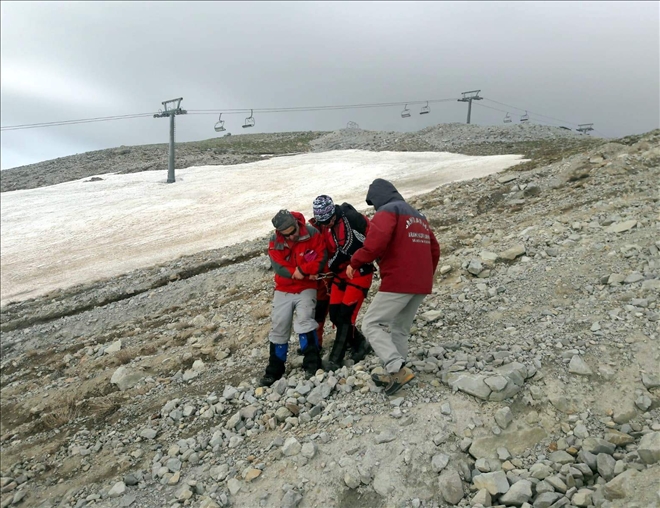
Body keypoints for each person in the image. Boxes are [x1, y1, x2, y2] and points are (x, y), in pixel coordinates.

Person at [347, 179, 440, 396]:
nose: (374, 208)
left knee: (371, 323)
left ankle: (395, 366)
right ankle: (398, 372)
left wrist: (355, 262)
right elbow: (434, 249)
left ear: (378, 197)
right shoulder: (419, 216)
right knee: (400, 327)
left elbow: (375, 243)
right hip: (421, 282)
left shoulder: (388, 212)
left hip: (399, 280)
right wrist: (426, 274)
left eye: (373, 203)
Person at [260, 209, 327, 387]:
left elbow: (321, 256)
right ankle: (274, 369)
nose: (292, 237)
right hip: (284, 288)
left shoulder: (312, 233)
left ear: (296, 224)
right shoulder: (275, 241)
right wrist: (296, 272)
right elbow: (278, 266)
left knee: (305, 320)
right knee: (279, 324)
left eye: (293, 232)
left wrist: (303, 271)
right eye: (287, 235)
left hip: (306, 286)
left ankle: (312, 362)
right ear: (280, 232)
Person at [312, 195, 373, 371]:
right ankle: (359, 343)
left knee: (346, 315)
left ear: (334, 213)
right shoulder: (322, 227)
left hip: (359, 272)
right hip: (339, 275)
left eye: (328, 221)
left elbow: (374, 241)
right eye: (322, 222)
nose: (326, 224)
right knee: (335, 314)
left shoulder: (353, 219)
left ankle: (335, 358)